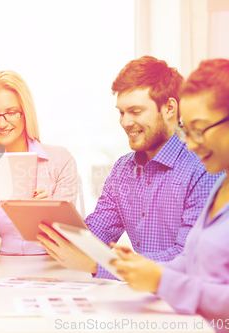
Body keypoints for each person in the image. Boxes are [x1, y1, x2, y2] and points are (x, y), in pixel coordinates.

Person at [109, 56, 229, 327]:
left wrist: (161, 280)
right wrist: (142, 270)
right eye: (187, 132)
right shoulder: (223, 184)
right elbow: (193, 262)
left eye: (200, 130)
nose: (190, 146)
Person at [38, 56, 219, 279]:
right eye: (121, 112)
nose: (125, 122)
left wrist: (98, 265)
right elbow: (96, 233)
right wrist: (52, 215)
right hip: (142, 297)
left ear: (170, 108)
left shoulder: (205, 167)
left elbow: (189, 258)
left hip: (189, 305)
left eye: (135, 111)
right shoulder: (123, 169)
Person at [0, 70, 79, 258]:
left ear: (25, 113)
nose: (2, 123)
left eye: (10, 112)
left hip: (49, 269)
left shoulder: (60, 160)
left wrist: (44, 215)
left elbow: (67, 236)